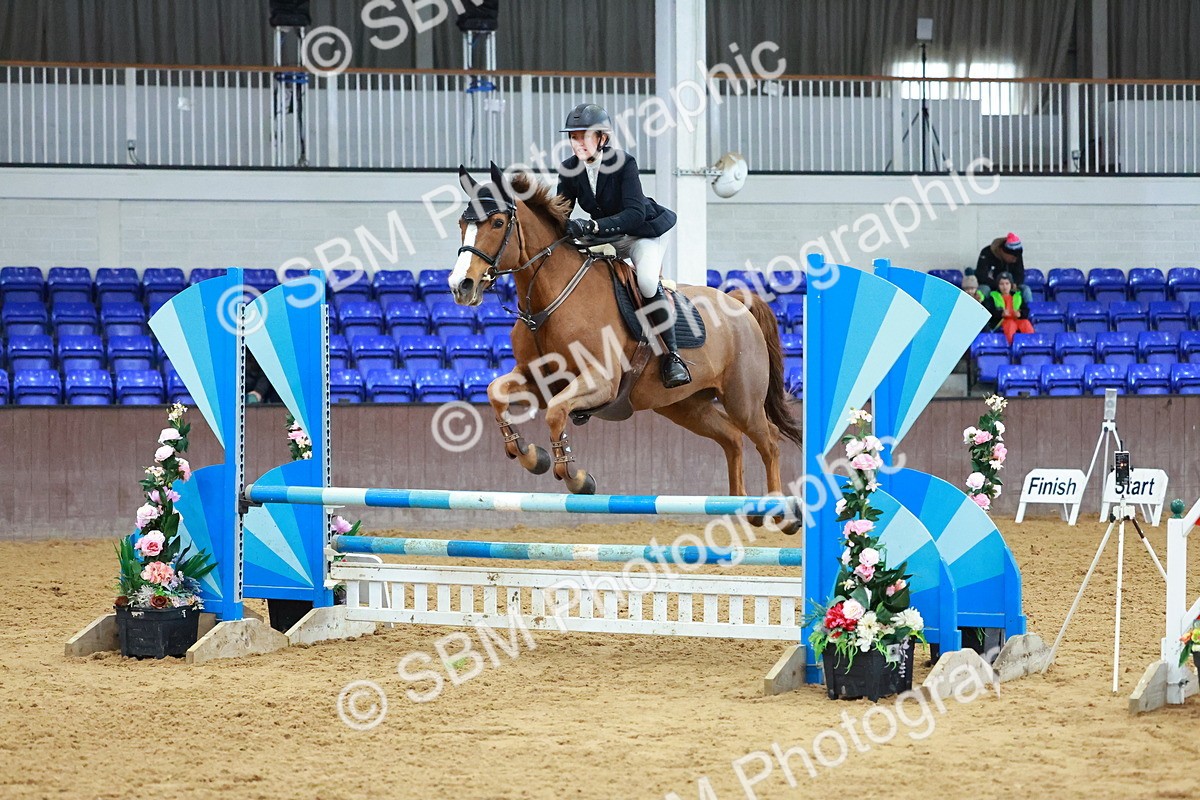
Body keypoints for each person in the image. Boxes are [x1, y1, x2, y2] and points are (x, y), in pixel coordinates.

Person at [554, 103, 689, 389]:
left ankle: (673, 357)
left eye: (585, 136)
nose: (578, 143)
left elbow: (634, 214)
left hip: (643, 234)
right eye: (574, 137)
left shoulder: (624, 163)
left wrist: (592, 226)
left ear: (602, 138)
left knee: (648, 282)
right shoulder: (568, 169)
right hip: (607, 239)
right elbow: (560, 212)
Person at [975, 232, 1030, 303]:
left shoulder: (1016, 257)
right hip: (991, 285)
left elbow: (1020, 273)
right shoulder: (986, 253)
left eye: (1017, 258)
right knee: (983, 290)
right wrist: (999, 284)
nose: (1015, 260)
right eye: (1012, 257)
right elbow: (981, 275)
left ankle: (1028, 311)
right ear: (1003, 252)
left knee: (1026, 289)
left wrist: (1014, 283)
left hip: (1010, 286)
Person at [983, 271, 1034, 344]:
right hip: (1002, 321)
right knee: (1010, 325)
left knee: (1026, 323)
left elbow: (1026, 310)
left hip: (1017, 320)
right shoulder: (993, 297)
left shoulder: (1018, 296)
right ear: (998, 286)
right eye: (1001, 284)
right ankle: (1012, 345)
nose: (1005, 287)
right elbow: (990, 311)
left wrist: (1020, 314)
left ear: (1011, 285)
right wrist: (1001, 313)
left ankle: (1030, 344)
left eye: (1007, 283)